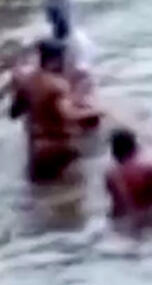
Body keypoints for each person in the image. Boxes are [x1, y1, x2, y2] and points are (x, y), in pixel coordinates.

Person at [9, 39, 102, 182]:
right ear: (54, 60)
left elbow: (14, 113)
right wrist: (97, 111)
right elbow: (69, 115)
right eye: (62, 58)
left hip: (35, 150)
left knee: (39, 191)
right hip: (59, 149)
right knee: (76, 191)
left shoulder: (27, 81)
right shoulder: (58, 85)